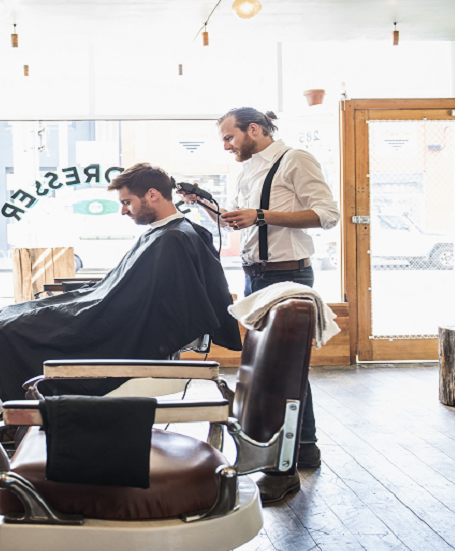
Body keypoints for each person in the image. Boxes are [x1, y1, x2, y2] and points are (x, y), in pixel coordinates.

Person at [0, 163, 242, 426]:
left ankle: (21, 419)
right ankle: (21, 413)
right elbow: (127, 291)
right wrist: (80, 299)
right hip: (109, 315)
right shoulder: (168, 233)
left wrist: (80, 309)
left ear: (152, 195)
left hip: (114, 331)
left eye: (127, 202)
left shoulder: (172, 239)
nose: (123, 211)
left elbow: (137, 306)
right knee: (1, 319)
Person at [179, 107, 340, 503]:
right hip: (256, 275)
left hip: (288, 274)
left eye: (229, 137)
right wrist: (202, 204)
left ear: (254, 129)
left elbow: (327, 215)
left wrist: (262, 215)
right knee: (285, 368)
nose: (226, 145)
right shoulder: (247, 170)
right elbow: (238, 220)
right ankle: (304, 446)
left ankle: (287, 460)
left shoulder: (295, 160)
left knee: (280, 369)